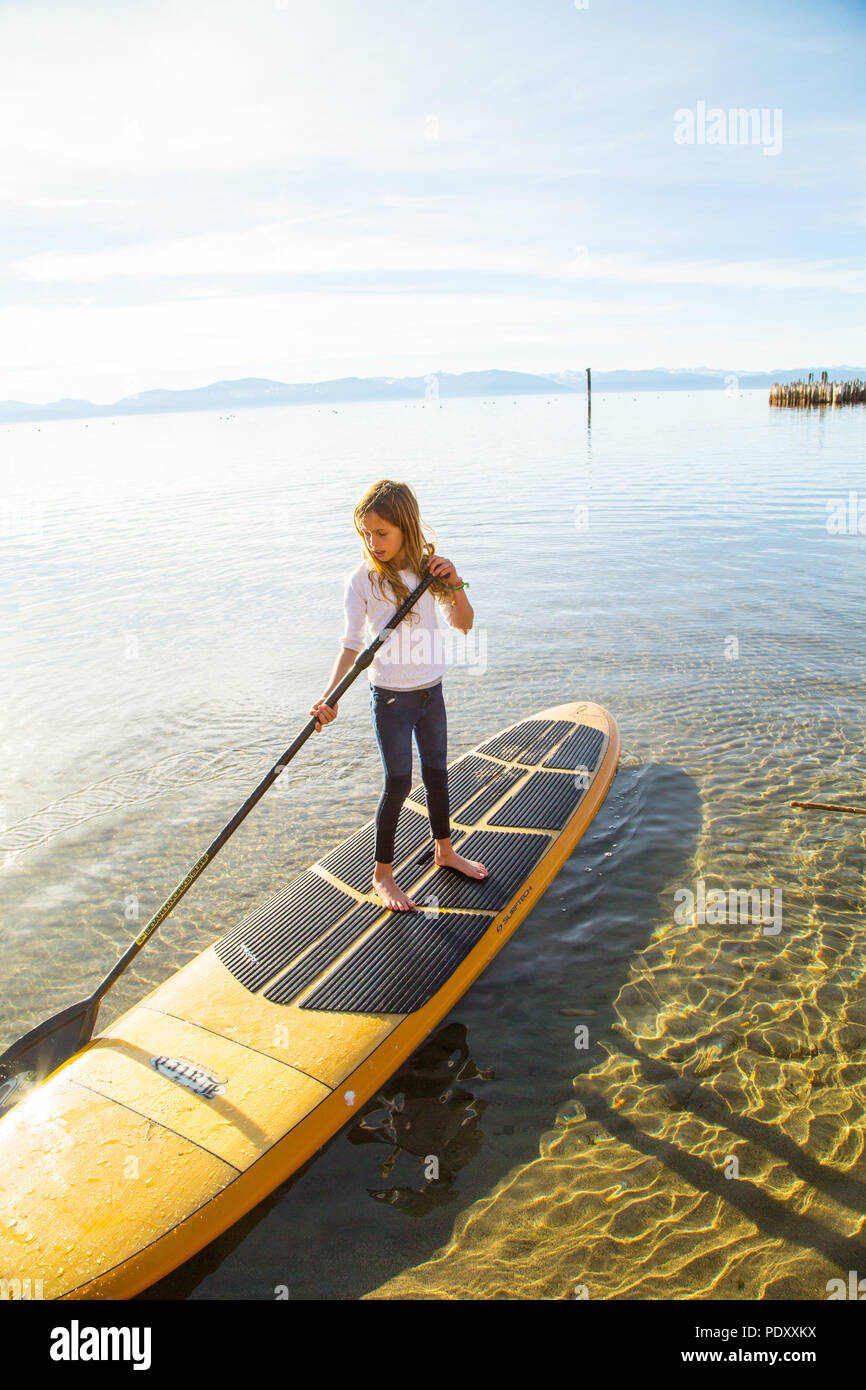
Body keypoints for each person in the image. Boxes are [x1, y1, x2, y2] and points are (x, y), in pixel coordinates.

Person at [310, 479, 487, 911]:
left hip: (431, 691)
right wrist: (330, 697)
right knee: (398, 782)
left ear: (406, 526)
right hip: (390, 697)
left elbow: (463, 624)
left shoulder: (429, 573)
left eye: (382, 532)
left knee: (437, 772)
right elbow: (352, 645)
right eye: (366, 533)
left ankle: (444, 850)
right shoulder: (362, 580)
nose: (374, 542)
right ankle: (382, 875)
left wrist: (456, 581)